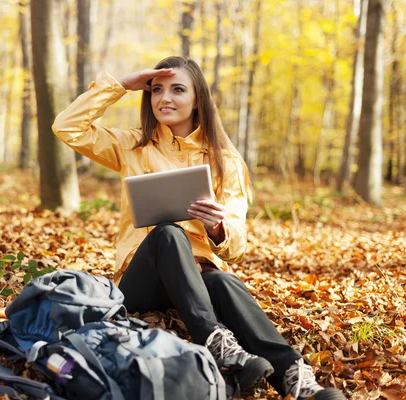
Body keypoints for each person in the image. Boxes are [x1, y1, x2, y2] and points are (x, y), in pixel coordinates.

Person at [52, 56, 345, 400]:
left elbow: (236, 247)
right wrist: (122, 85)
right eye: (157, 90)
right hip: (141, 280)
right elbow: (67, 127)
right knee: (167, 232)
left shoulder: (225, 160)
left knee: (223, 279)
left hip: (199, 280)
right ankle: (216, 341)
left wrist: (218, 228)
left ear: (197, 99)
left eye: (178, 90)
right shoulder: (132, 146)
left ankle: (296, 378)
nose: (165, 98)